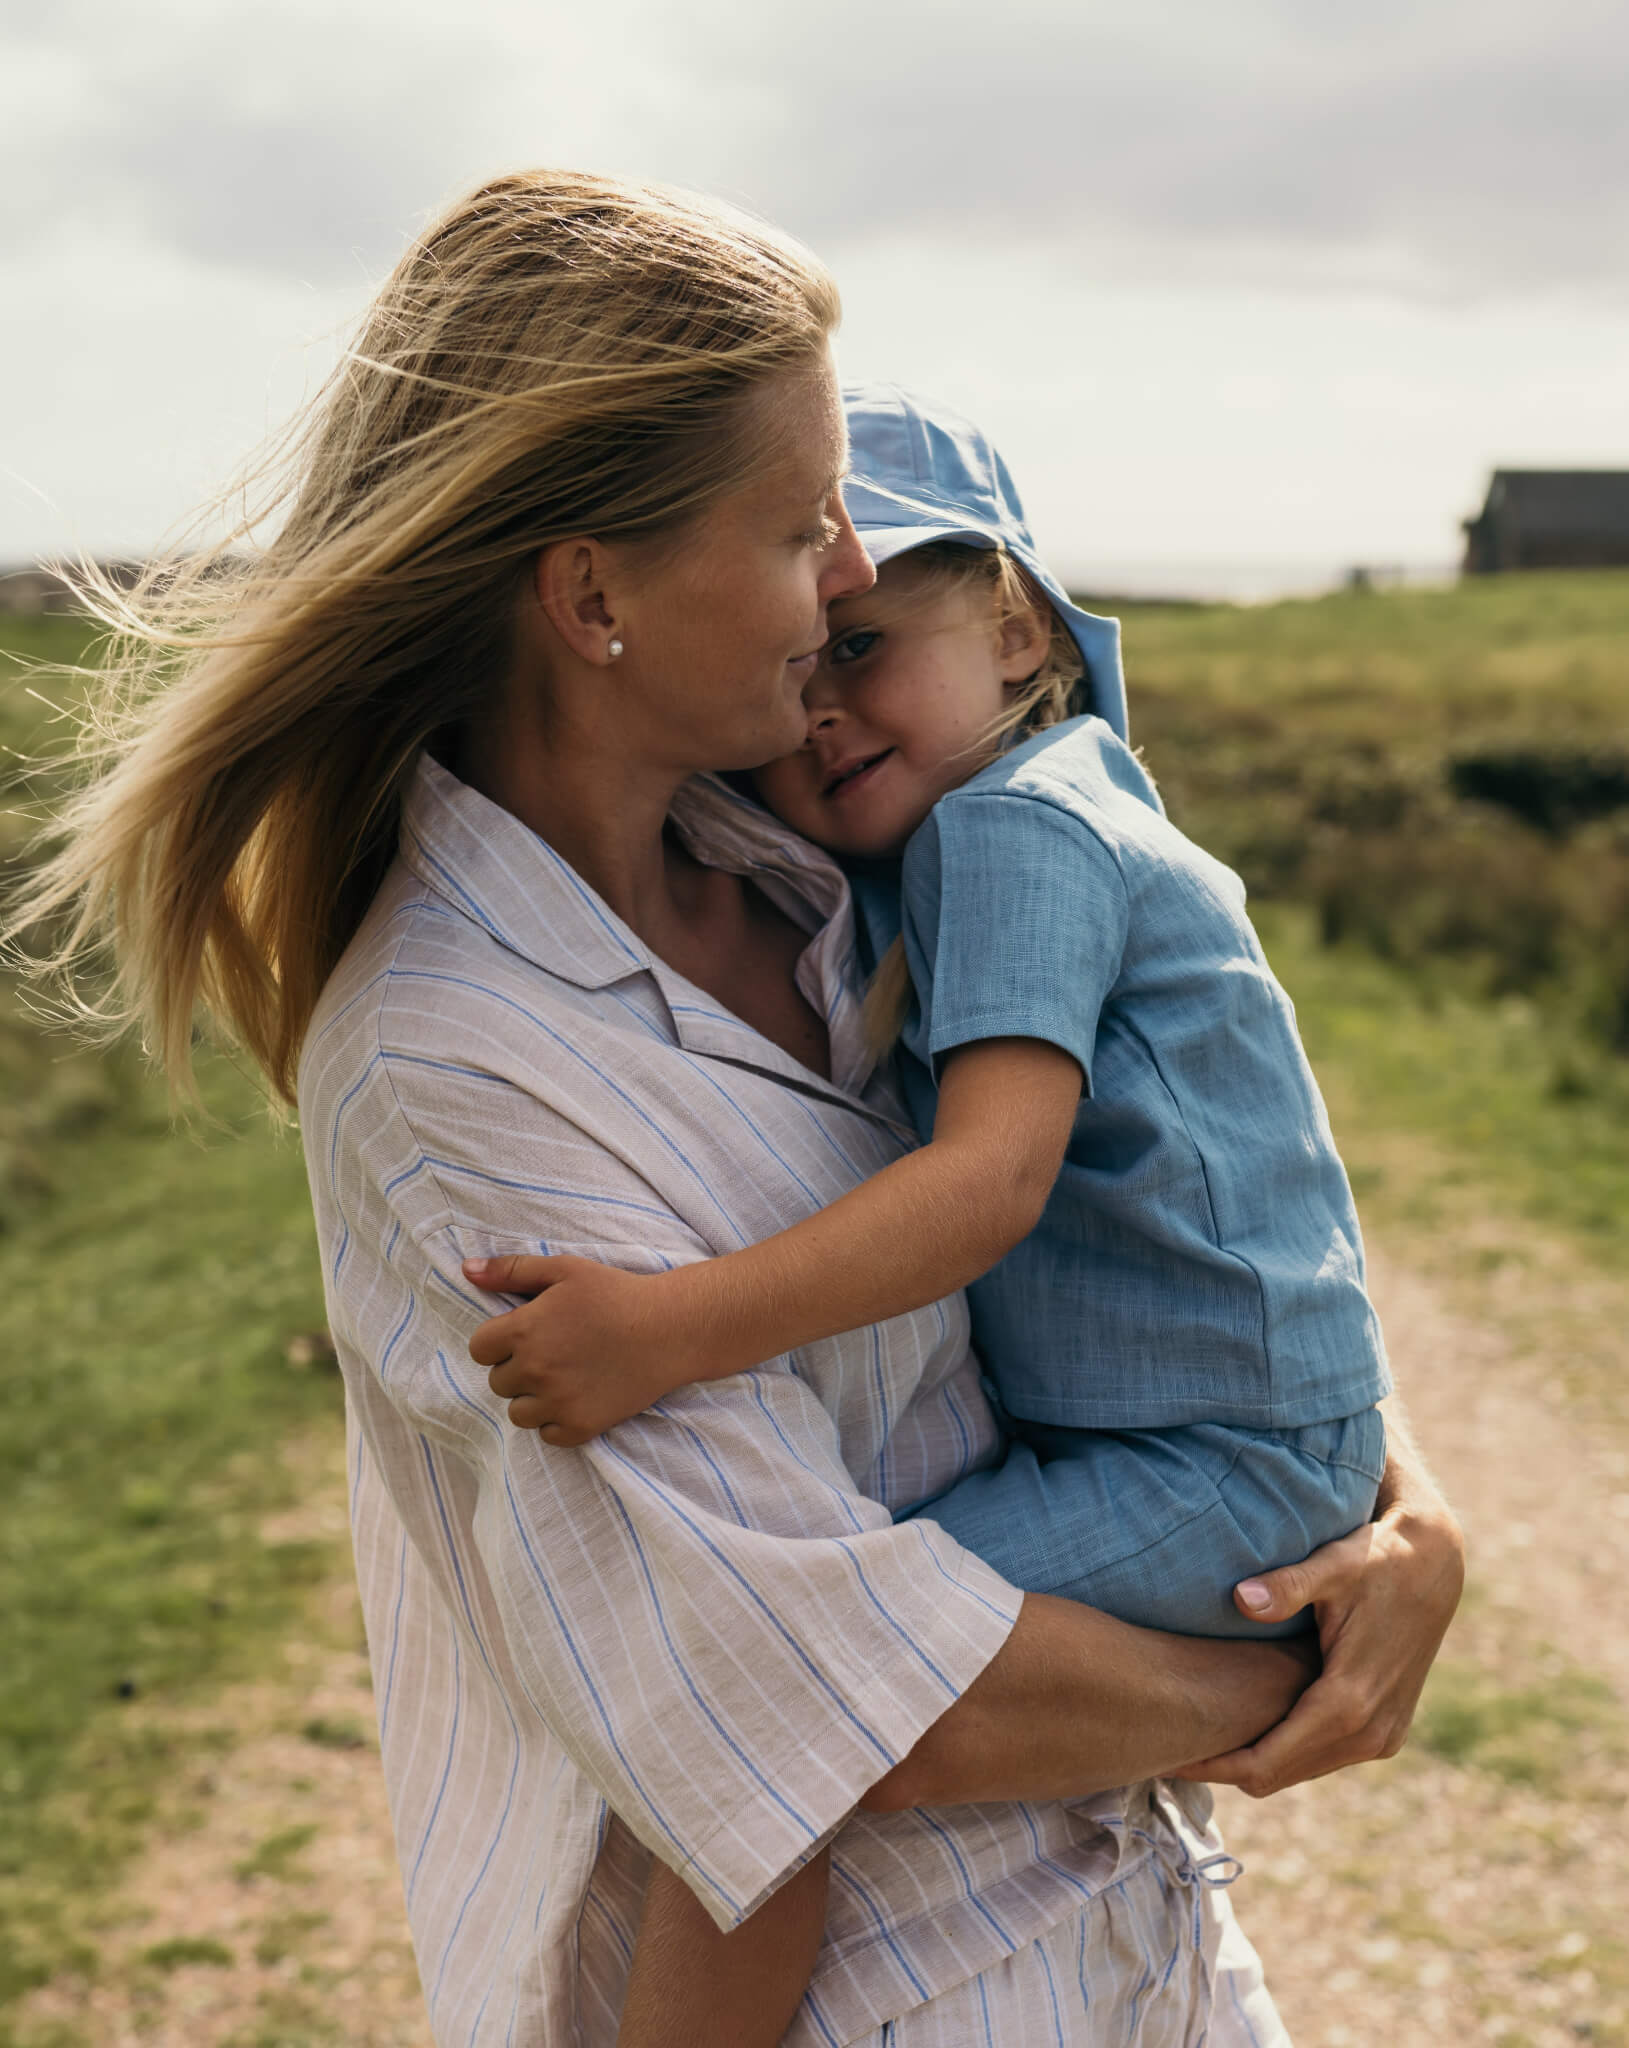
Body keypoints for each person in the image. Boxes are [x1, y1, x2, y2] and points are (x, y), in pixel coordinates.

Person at [10, 170, 1463, 2046]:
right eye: (799, 528)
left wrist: (1401, 1512)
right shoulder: (459, 1067)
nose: (851, 570)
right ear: (591, 594)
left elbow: (1175, 1211)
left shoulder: (822, 854)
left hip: (1147, 1955)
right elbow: (823, 1700)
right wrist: (1301, 1662)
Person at [470, 382, 1390, 1643]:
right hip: (1202, 1438)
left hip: (1212, 1462)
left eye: (860, 647)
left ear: (1016, 629)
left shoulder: (1013, 827)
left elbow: (990, 1180)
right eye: (796, 674)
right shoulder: (1007, 816)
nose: (820, 715)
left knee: (833, 1641)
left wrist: (662, 1330)